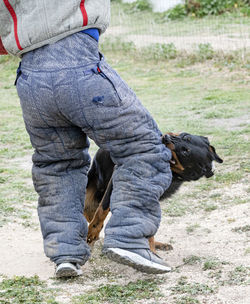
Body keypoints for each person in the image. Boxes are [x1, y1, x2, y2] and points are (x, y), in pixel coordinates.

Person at [0, 0, 172, 277]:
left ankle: (65, 253)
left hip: (30, 78)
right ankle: (129, 238)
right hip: (78, 62)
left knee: (55, 165)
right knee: (145, 147)